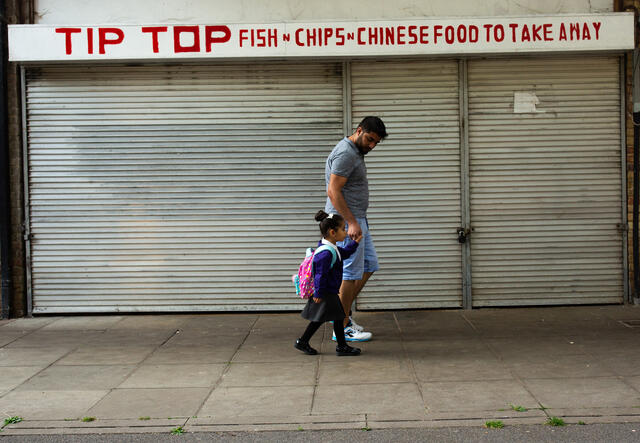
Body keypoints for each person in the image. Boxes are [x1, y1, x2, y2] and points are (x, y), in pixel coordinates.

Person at [325, 116, 388, 342]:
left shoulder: (355, 152)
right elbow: (333, 191)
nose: (371, 146)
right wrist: (351, 222)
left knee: (369, 265)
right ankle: (340, 327)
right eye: (369, 139)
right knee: (349, 273)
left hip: (356, 220)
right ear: (359, 130)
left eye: (375, 143)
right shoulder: (347, 153)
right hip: (347, 223)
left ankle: (342, 313)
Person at [294, 210, 363, 356]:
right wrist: (318, 293)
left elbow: (344, 254)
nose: (345, 232)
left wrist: (354, 243)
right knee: (327, 318)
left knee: (334, 317)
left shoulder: (332, 248)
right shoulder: (325, 253)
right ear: (333, 232)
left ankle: (336, 345)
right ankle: (307, 342)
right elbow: (320, 275)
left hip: (329, 291)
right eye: (343, 229)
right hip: (326, 292)